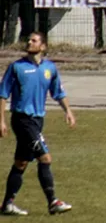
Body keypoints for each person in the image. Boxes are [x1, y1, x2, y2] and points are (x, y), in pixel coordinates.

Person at [0, 32, 75, 216]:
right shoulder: (16, 67)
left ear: (43, 46)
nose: (29, 42)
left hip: (38, 120)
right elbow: (3, 94)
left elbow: (58, 92)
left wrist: (68, 111)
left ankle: (7, 205)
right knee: (45, 158)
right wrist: (1, 120)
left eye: (34, 40)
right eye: (29, 39)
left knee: (21, 162)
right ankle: (52, 202)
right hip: (22, 119)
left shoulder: (50, 68)